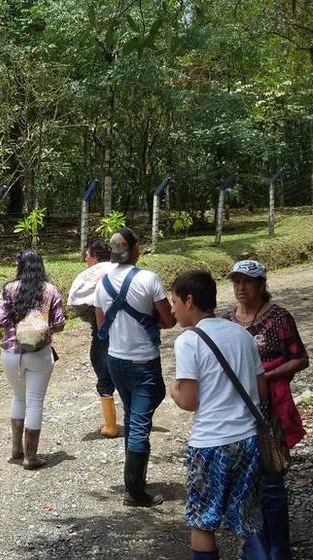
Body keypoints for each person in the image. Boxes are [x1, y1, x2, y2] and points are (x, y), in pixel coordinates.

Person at [168, 270, 268, 560]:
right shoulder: (241, 334)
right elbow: (261, 389)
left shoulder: (189, 340)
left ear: (189, 301)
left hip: (211, 444)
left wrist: (173, 390)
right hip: (248, 440)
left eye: (174, 301)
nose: (172, 309)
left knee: (203, 520)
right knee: (247, 520)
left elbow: (188, 400)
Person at [221, 259, 308, 560]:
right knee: (244, 485)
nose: (242, 287)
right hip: (235, 410)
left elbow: (299, 358)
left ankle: (279, 551)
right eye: (237, 282)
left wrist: (265, 376)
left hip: (271, 410)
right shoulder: (226, 321)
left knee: (272, 481)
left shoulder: (279, 318)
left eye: (248, 281)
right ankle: (255, 550)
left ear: (261, 284)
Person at [93, 228, 176, 506]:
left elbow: (100, 324)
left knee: (132, 416)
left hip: (116, 361)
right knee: (139, 422)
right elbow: (169, 319)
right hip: (143, 362)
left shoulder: (101, 283)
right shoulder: (148, 279)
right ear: (136, 249)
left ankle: (135, 481)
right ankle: (135, 491)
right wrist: (149, 321)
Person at [0, 249, 65, 470]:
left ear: (20, 266)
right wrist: (40, 325)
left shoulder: (9, 289)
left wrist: (18, 324)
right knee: (34, 402)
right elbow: (59, 323)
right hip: (39, 354)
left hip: (11, 353)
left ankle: (16, 449)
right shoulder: (51, 291)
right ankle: (31, 457)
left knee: (18, 396)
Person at [67, 240, 119, 437]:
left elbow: (75, 301)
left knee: (103, 371)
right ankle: (138, 422)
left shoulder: (88, 275)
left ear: (95, 257)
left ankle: (111, 425)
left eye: (87, 255)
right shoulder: (123, 270)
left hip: (102, 330)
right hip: (130, 330)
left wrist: (92, 317)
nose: (85, 259)